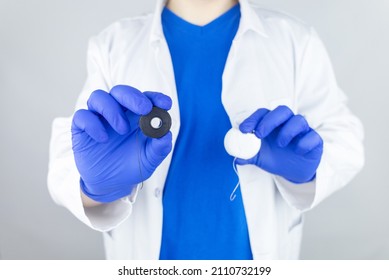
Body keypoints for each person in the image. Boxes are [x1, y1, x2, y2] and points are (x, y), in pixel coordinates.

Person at [47, 0, 364, 260]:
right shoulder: (114, 44)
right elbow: (71, 154)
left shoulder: (295, 40)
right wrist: (95, 189)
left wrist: (307, 170)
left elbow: (344, 136)